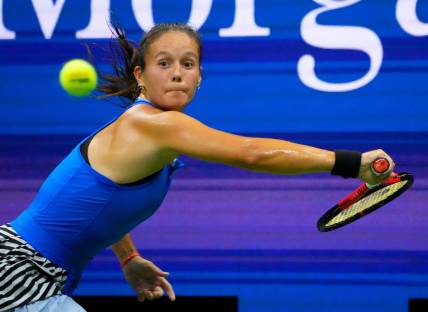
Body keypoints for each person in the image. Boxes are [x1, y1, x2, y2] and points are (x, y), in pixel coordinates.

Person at [0, 22, 395, 311]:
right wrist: (352, 164)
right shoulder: (153, 124)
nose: (176, 72)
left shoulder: (146, 133)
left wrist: (128, 259)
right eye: (164, 63)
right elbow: (252, 153)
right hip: (17, 273)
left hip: (33, 272)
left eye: (188, 64)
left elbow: (95, 202)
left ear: (199, 77)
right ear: (140, 76)